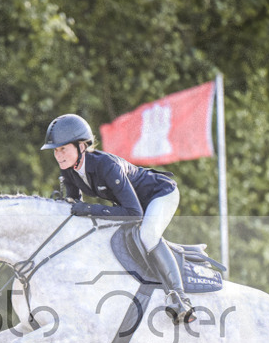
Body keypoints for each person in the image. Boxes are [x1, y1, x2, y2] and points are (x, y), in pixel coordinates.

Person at [41, 113, 195, 324]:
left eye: (63, 149)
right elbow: (74, 207)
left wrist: (88, 209)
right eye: (56, 150)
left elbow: (134, 214)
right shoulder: (69, 170)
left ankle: (180, 298)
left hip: (159, 194)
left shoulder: (105, 165)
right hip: (133, 205)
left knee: (147, 235)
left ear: (81, 146)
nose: (58, 155)